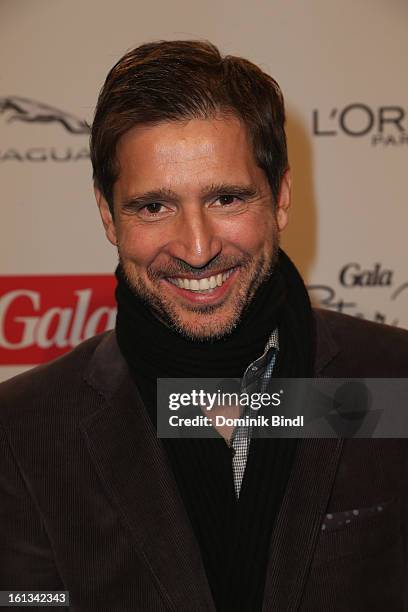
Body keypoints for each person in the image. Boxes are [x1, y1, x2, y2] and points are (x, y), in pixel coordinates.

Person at [1, 40, 407, 612]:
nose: (196, 249)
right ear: (106, 215)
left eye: (226, 198)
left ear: (281, 197)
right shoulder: (22, 432)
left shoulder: (396, 382)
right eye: (153, 207)